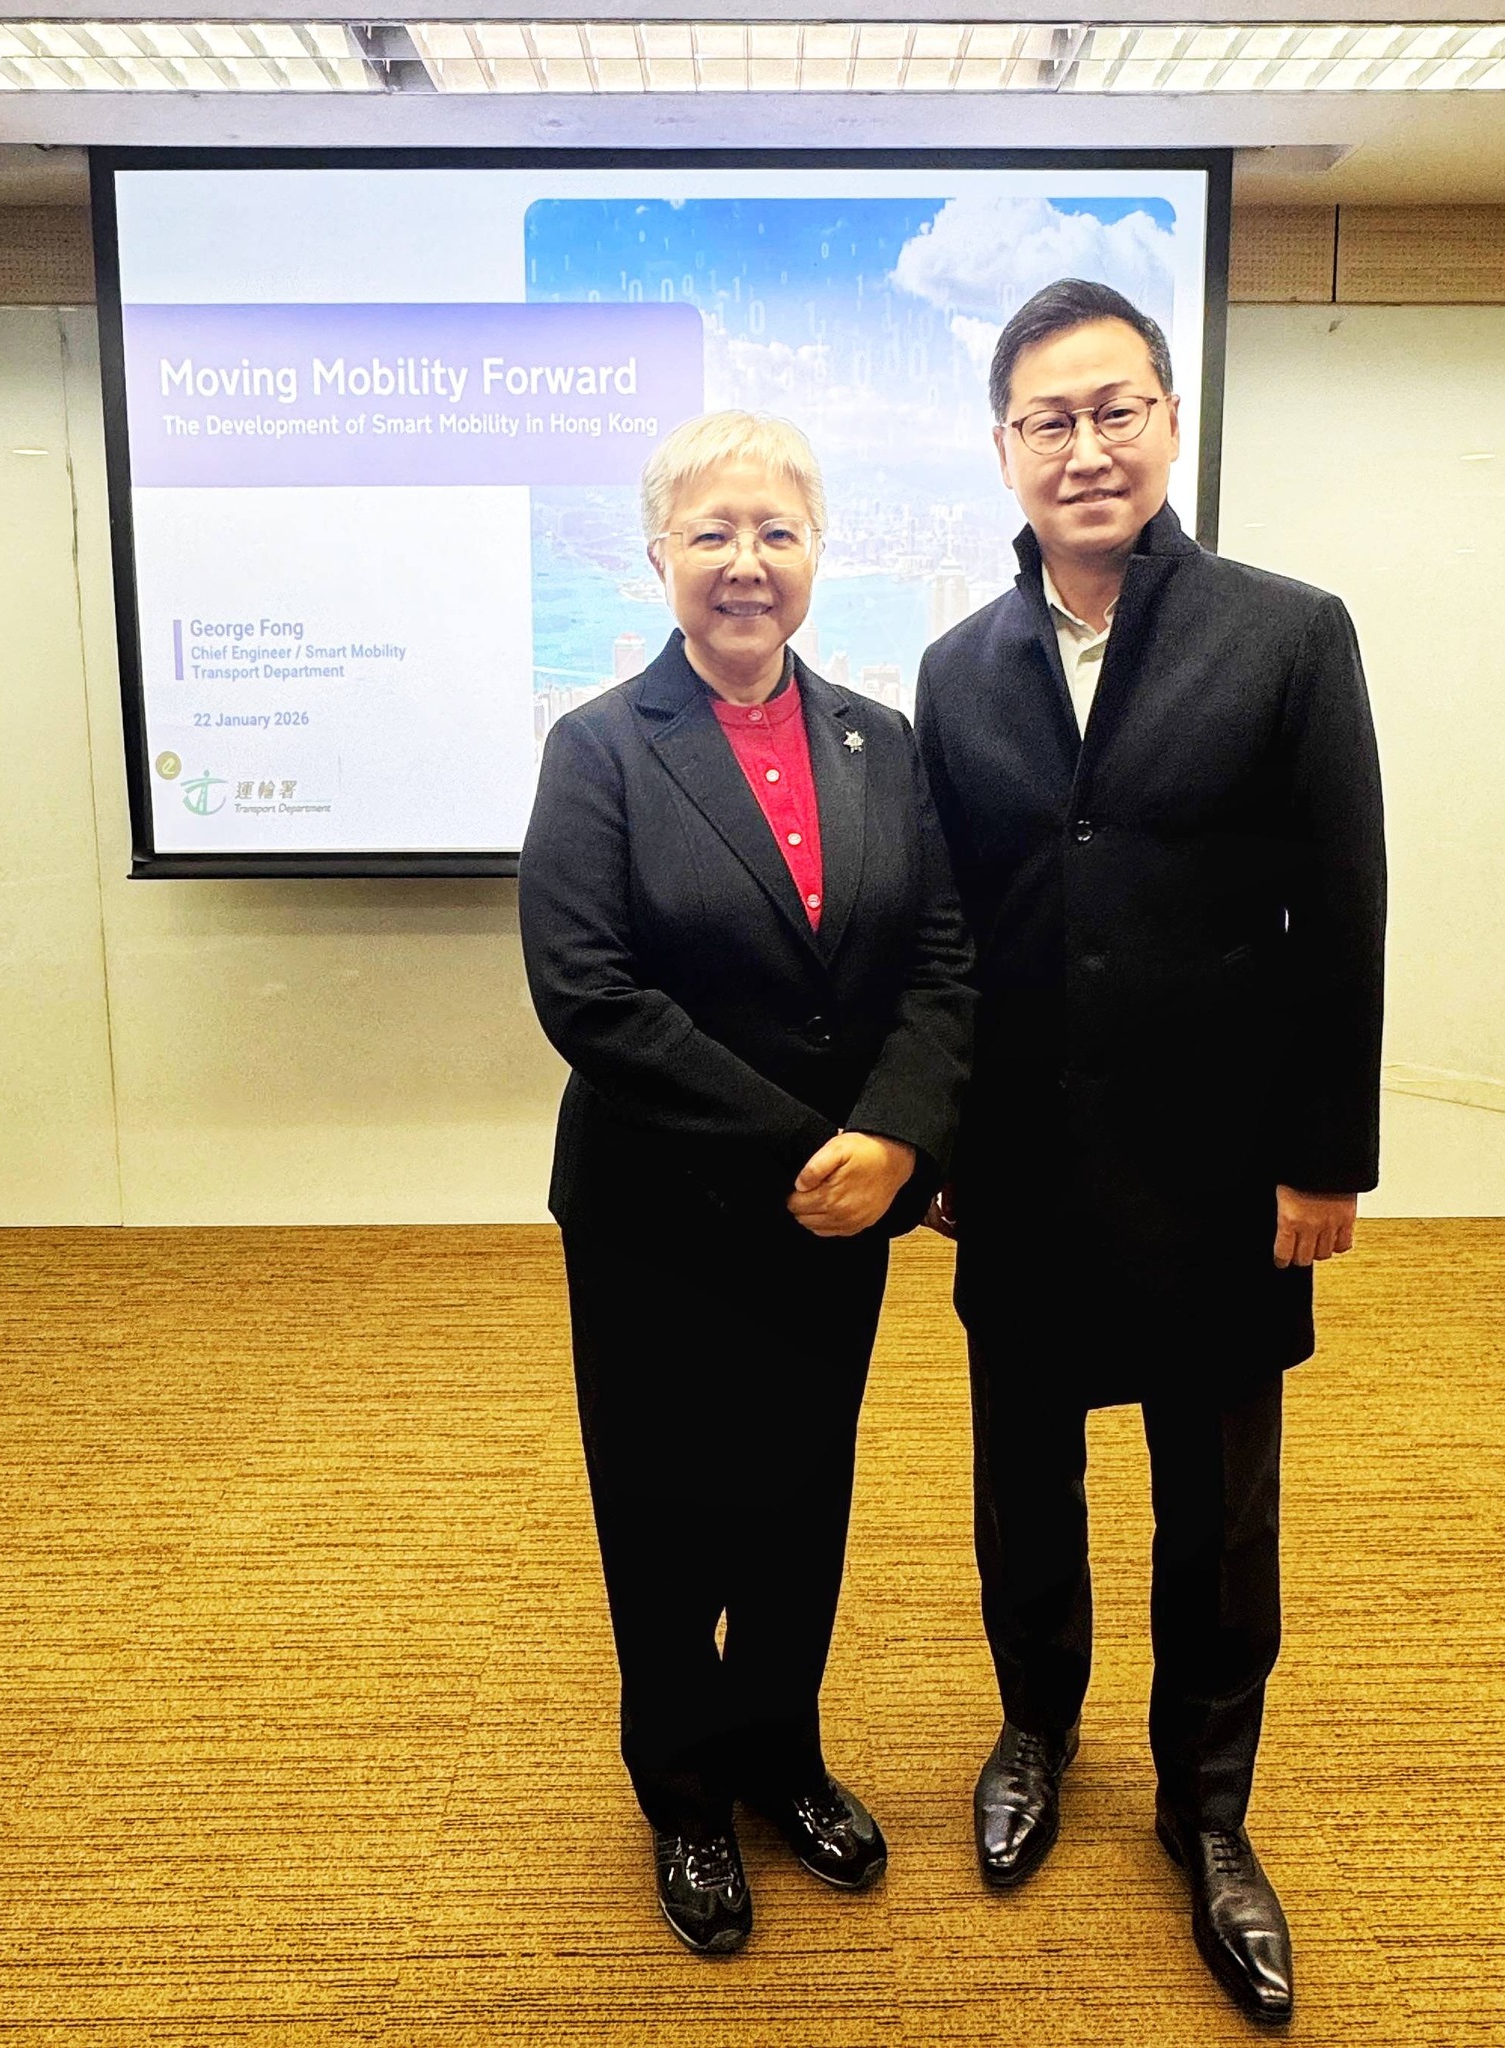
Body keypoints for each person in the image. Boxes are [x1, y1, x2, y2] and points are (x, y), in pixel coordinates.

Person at [914, 280, 1385, 2024]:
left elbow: (1341, 912)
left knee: (1218, 1513)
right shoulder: (956, 666)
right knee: (1020, 1485)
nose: (1085, 447)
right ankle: (1033, 1729)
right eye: (1048, 420)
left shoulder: (1286, 634)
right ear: (1004, 449)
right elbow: (948, 930)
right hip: (1021, 1170)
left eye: (1115, 410)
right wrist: (935, 1134)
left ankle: (1208, 1807)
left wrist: (1323, 1158)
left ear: (1169, 422)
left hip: (1218, 1174)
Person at [520, 410, 974, 1957]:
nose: (744, 562)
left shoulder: (879, 740)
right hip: (661, 1212)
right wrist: (805, 1147)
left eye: (775, 531)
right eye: (711, 532)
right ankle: (685, 1790)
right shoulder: (598, 747)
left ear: (815, 553)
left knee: (797, 1493)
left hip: (842, 1210)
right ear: (658, 554)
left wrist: (898, 1139)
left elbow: (938, 960)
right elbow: (589, 996)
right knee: (662, 1507)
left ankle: (781, 1751)